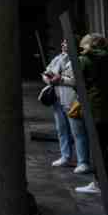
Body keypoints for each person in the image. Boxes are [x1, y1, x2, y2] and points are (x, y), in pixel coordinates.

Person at [75, 34, 108, 198]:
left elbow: (80, 83)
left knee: (99, 149)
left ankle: (100, 183)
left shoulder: (85, 60)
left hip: (96, 109)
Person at [42, 39, 91, 174]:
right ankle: (66, 156)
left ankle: (83, 162)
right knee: (62, 130)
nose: (63, 45)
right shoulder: (58, 58)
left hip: (72, 99)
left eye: (66, 43)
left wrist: (60, 79)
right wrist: (48, 79)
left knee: (78, 132)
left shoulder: (78, 60)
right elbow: (46, 71)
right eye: (62, 43)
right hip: (58, 98)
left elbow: (76, 80)